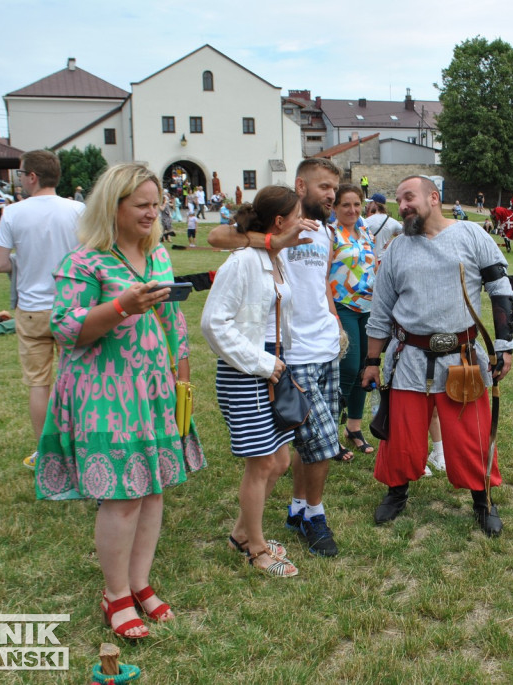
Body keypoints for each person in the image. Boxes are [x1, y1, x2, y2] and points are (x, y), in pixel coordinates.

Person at [36, 163, 204, 639]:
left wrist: (181, 378)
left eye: (158, 204)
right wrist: (121, 307)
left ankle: (139, 582)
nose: (154, 213)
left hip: (154, 389)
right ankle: (115, 595)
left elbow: (174, 323)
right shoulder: (85, 262)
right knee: (122, 496)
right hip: (105, 395)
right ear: (114, 207)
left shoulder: (159, 256)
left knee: (152, 489)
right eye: (143, 205)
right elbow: (65, 330)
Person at [361, 175, 513, 537]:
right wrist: (371, 362)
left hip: (460, 358)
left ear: (434, 197)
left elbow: (500, 290)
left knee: (470, 435)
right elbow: (381, 311)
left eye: (409, 197)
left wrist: (504, 346)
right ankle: (396, 493)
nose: (403, 206)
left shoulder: (471, 235)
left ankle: (483, 501)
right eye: (399, 200)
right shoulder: (397, 249)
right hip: (407, 357)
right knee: (401, 433)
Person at [209, 158, 347, 558]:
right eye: (324, 187)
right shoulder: (271, 231)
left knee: (299, 448)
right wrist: (273, 241)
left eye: (334, 188)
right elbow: (219, 238)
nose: (331, 195)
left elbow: (321, 282)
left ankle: (298, 509)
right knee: (318, 443)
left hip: (321, 346)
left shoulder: (325, 229)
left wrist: (335, 324)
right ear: (301, 186)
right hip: (288, 355)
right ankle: (307, 519)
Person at [201, 185, 304, 578]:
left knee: (278, 460)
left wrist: (281, 363)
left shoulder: (275, 258)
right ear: (280, 222)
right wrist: (262, 363)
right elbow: (213, 323)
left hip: (271, 368)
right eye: (297, 217)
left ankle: (241, 534)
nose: (304, 223)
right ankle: (256, 548)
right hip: (246, 372)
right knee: (262, 463)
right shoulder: (243, 262)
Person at [0, 149, 85, 469]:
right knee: (78, 380)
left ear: (32, 177)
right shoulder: (79, 210)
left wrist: (21, 261)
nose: (19, 180)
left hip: (32, 309)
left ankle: (46, 453)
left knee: (38, 384)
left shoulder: (14, 213)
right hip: (72, 306)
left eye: (20, 175)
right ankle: (83, 446)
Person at [329, 184, 377, 458]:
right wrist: (331, 312)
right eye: (346, 205)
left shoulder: (365, 231)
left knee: (364, 368)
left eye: (356, 204)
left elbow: (374, 265)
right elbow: (324, 274)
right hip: (342, 305)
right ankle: (330, 432)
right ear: (335, 207)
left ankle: (354, 428)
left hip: (368, 308)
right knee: (347, 367)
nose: (352, 210)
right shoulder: (331, 234)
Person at [363, 193, 402, 261]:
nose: (367, 205)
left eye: (370, 203)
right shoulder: (393, 222)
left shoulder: (366, 222)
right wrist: (393, 242)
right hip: (384, 260)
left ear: (375, 204)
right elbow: (407, 234)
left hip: (368, 260)